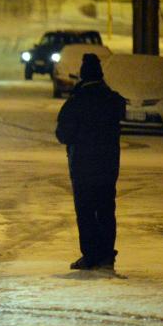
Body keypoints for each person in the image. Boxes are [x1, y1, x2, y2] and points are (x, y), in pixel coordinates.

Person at [55, 53, 126, 271]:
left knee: (85, 212)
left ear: (83, 75)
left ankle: (91, 255)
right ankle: (106, 255)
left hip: (83, 166)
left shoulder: (76, 102)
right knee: (105, 209)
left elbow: (63, 133)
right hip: (107, 165)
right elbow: (120, 112)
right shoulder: (112, 100)